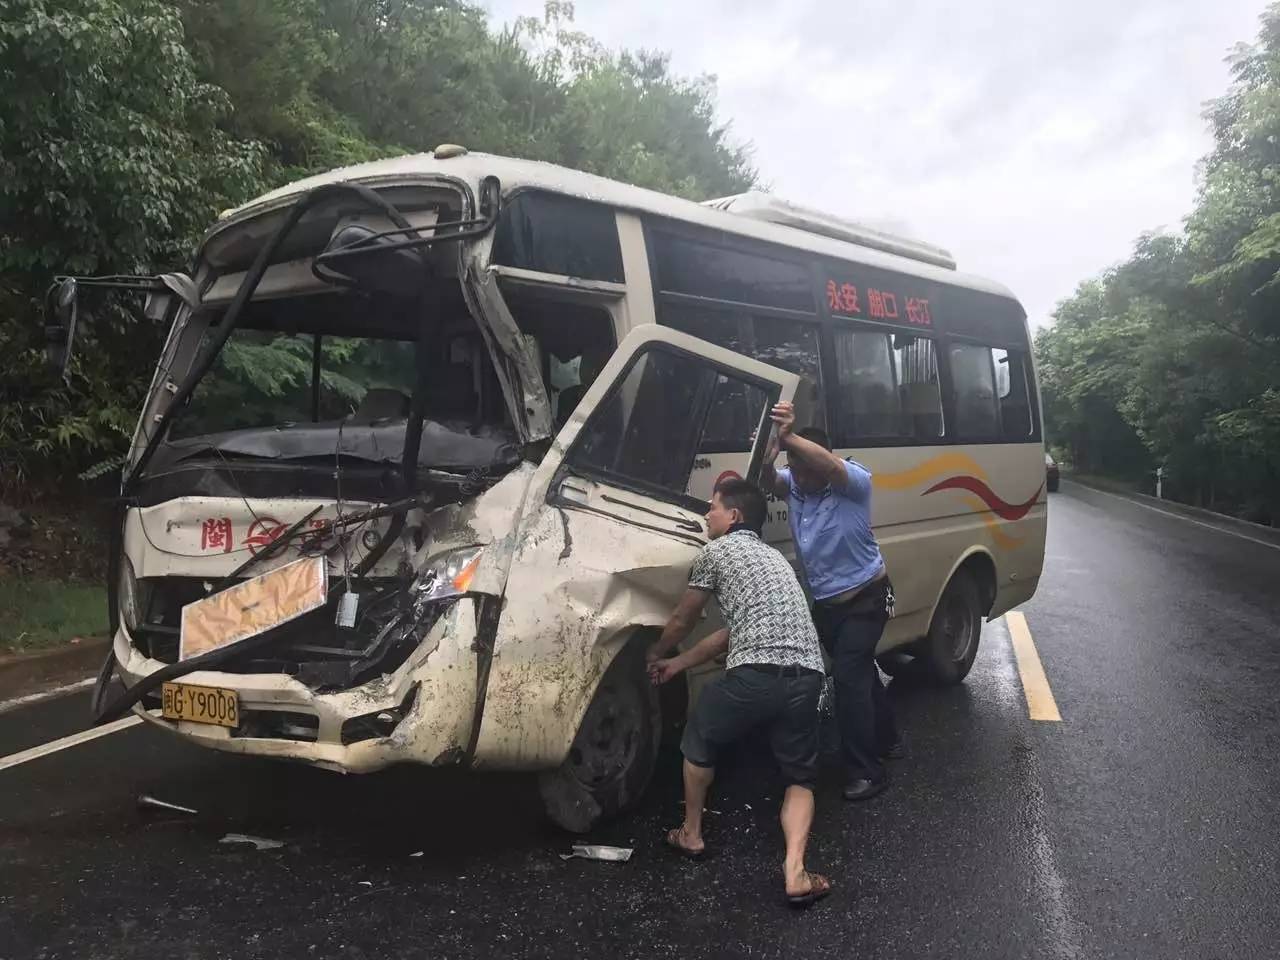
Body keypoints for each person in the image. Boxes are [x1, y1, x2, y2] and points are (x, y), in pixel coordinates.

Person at [647, 478, 832, 906]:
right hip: (807, 679)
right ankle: (796, 872)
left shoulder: (714, 553)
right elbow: (731, 634)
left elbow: (683, 618)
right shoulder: (775, 561)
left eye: (712, 507)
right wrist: (676, 666)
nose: (707, 515)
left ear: (734, 516)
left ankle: (691, 834)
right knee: (800, 777)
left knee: (699, 739)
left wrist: (655, 652)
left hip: (754, 678)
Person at [762, 401, 901, 802]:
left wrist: (791, 437)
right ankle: (888, 738)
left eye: (807, 469)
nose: (800, 478)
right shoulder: (795, 484)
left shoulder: (852, 481)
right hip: (827, 605)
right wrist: (771, 455)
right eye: (795, 469)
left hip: (867, 599)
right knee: (859, 672)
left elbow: (832, 467)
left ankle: (867, 771)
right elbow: (771, 481)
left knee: (847, 676)